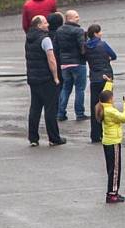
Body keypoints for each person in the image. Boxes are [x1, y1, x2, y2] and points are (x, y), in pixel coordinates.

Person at [25, 15, 65, 147]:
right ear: (39, 25)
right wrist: (55, 77)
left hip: (33, 78)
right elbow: (51, 59)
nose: (47, 24)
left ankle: (33, 138)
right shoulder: (45, 39)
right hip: (46, 78)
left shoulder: (29, 38)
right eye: (45, 22)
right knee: (50, 109)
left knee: (35, 108)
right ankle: (54, 138)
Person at [95, 77, 125, 203]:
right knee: (115, 169)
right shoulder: (110, 111)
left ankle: (113, 191)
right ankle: (112, 193)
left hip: (107, 141)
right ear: (110, 100)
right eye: (113, 98)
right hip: (113, 142)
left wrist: (109, 83)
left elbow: (104, 94)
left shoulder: (101, 106)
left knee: (111, 168)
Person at [85, 24, 117, 143]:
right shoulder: (102, 45)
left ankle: (95, 134)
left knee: (95, 106)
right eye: (100, 32)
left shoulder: (86, 46)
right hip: (106, 77)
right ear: (95, 33)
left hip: (94, 78)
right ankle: (106, 132)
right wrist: (107, 59)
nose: (101, 33)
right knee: (107, 105)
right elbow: (113, 55)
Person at [56, 10, 88, 121]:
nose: (78, 18)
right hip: (78, 63)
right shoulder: (78, 31)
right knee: (80, 89)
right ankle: (79, 113)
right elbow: (82, 47)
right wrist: (86, 57)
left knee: (65, 88)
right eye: (76, 16)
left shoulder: (59, 31)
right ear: (70, 18)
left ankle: (60, 113)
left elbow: (56, 47)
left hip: (64, 64)